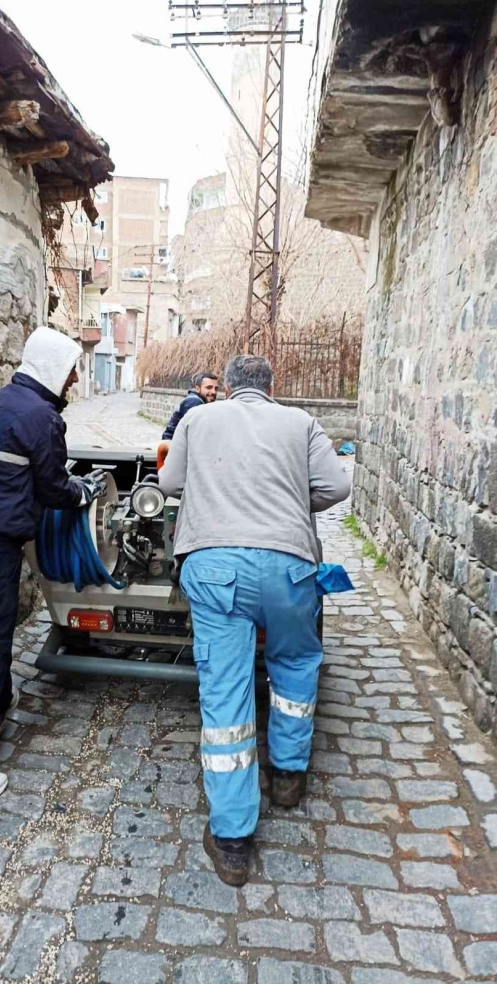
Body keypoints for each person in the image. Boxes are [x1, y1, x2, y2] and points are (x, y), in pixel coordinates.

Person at [159, 355, 350, 885]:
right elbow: (336, 488)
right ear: (273, 386)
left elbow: (171, 482)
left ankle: (233, 841)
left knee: (226, 693)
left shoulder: (198, 418)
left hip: (216, 566)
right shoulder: (301, 422)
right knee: (294, 664)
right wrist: (289, 498)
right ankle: (288, 778)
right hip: (289, 566)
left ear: (227, 386)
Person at [0, 326, 106, 812]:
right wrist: (85, 491)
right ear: (54, 368)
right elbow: (54, 489)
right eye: (72, 368)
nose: (74, 379)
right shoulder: (41, 419)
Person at [161, 371, 219, 440]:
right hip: (172, 445)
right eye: (209, 387)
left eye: (216, 388)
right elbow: (196, 434)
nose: (213, 392)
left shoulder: (196, 400)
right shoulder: (194, 402)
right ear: (197, 388)